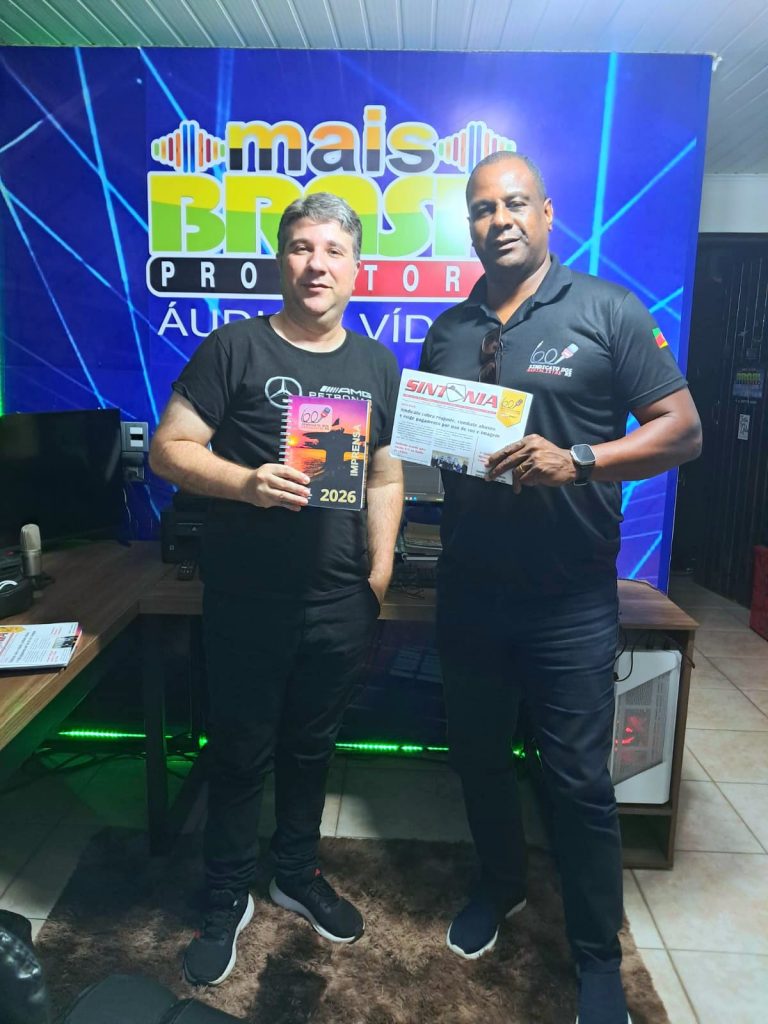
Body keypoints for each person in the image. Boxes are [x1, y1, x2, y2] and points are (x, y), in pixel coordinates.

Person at [419, 153, 701, 1024]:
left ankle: (596, 956)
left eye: (514, 203)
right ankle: (499, 884)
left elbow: (683, 431)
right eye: (481, 208)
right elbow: (438, 453)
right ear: (468, 225)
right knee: (477, 758)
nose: (497, 219)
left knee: (578, 783)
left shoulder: (609, 309)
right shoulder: (449, 329)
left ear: (547, 212)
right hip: (469, 592)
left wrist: (578, 460)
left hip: (569, 599)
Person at [149, 193, 403, 987]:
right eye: (301, 247)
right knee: (239, 753)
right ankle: (226, 894)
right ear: (280, 260)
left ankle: (295, 873)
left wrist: (379, 573)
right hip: (247, 602)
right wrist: (246, 483)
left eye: (333, 250)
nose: (316, 264)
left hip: (339, 603)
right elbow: (168, 448)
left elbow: (386, 475)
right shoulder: (234, 348)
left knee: (311, 749)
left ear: (356, 268)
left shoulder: (377, 365)